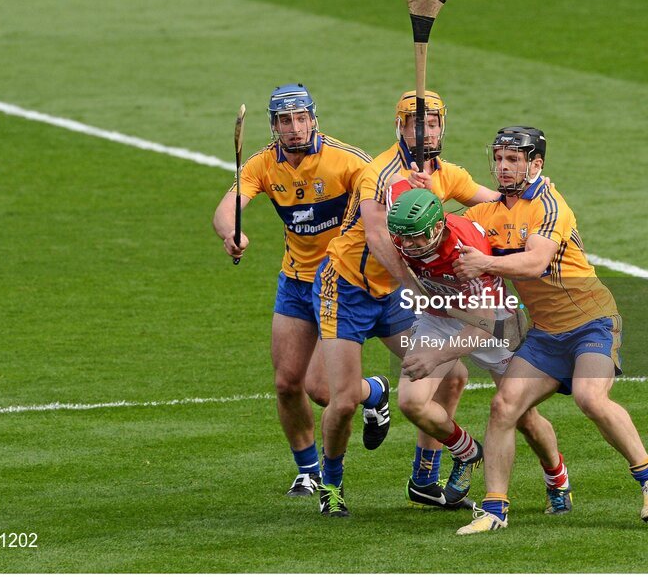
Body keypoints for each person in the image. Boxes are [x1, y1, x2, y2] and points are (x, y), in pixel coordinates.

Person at [453, 126, 648, 534]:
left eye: (513, 159)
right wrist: (421, 191)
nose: (502, 167)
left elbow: (535, 263)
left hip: (592, 322)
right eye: (499, 158)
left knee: (590, 397)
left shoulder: (550, 205)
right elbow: (447, 229)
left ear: (535, 165)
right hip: (546, 334)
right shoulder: (487, 214)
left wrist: (484, 264)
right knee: (504, 407)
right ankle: (494, 510)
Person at [312, 90, 500, 517]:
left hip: (395, 294)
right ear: (399, 127)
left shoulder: (445, 173)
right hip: (346, 287)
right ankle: (332, 484)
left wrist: (530, 202)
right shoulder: (377, 173)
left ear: (442, 127)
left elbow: (493, 204)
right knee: (340, 400)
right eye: (417, 124)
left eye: (432, 124)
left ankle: (424, 479)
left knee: (451, 375)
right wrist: (415, 286)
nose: (425, 131)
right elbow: (378, 237)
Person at [212, 83, 380, 499]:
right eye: (286, 120)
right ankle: (307, 470)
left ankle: (375, 391)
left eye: (301, 118)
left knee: (322, 391)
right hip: (294, 280)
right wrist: (230, 233)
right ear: (274, 126)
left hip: (338, 281)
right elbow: (227, 205)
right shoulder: (263, 165)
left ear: (313, 118)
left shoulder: (347, 160)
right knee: (287, 383)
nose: (295, 127)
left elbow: (383, 195)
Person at [386, 183, 574, 515]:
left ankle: (556, 478)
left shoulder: (463, 251)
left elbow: (483, 324)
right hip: (441, 313)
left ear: (438, 225)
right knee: (411, 402)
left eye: (416, 237)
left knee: (522, 416)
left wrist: (437, 355)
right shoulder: (403, 236)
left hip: (493, 320)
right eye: (403, 237)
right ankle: (467, 451)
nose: (409, 244)